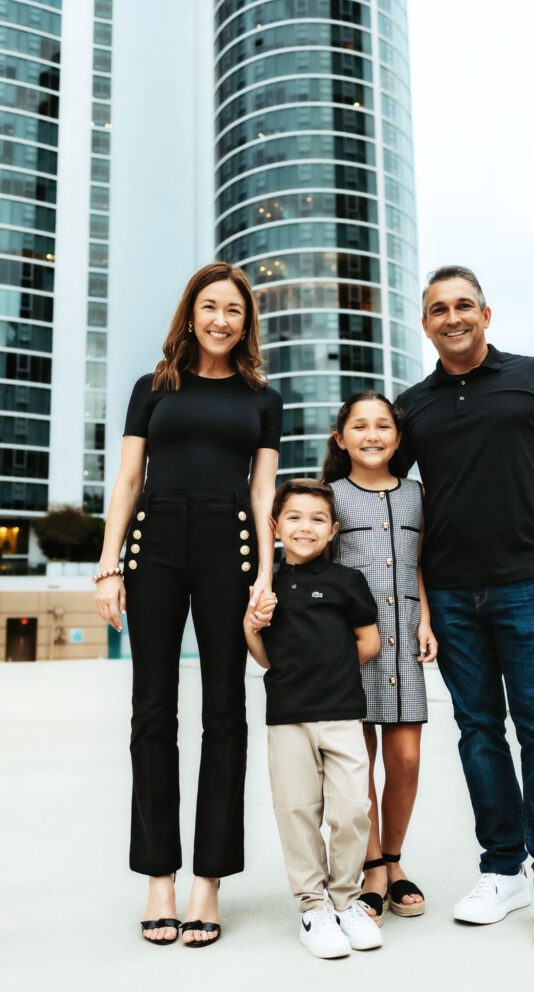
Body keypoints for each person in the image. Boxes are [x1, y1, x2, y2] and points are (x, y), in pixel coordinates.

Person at [395, 265, 534, 949]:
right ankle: (502, 870)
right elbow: (382, 489)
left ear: (487, 315)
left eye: (464, 306)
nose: (452, 317)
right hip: (452, 590)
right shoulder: (413, 408)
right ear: (424, 323)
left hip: (529, 581)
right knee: (479, 730)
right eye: (438, 309)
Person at [94, 262, 282, 946]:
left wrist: (267, 570)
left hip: (228, 544)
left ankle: (208, 882)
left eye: (234, 310)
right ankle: (158, 878)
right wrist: (107, 564)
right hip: (156, 541)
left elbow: (263, 494)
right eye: (210, 307)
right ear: (191, 312)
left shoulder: (263, 397)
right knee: (152, 709)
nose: (221, 320)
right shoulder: (152, 388)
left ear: (246, 321)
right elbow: (128, 477)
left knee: (226, 710)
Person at [244, 478, 384, 959]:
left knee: (351, 810)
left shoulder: (348, 582)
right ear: (275, 527)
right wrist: (251, 624)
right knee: (298, 812)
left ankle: (345, 900)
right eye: (295, 517)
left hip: (343, 713)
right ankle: (313, 907)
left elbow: (369, 643)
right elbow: (264, 657)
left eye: (317, 519)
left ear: (333, 529)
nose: (306, 527)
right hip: (287, 717)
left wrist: (332, 671)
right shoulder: (266, 587)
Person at [321, 392, 438, 925]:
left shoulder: (417, 494)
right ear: (341, 438)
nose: (372, 435)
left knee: (406, 759)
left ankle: (395, 857)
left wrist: (427, 620)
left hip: (406, 641)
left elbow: (419, 564)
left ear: (397, 437)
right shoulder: (332, 496)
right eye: (360, 426)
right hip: (352, 643)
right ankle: (373, 868)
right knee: (358, 763)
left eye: (383, 426)